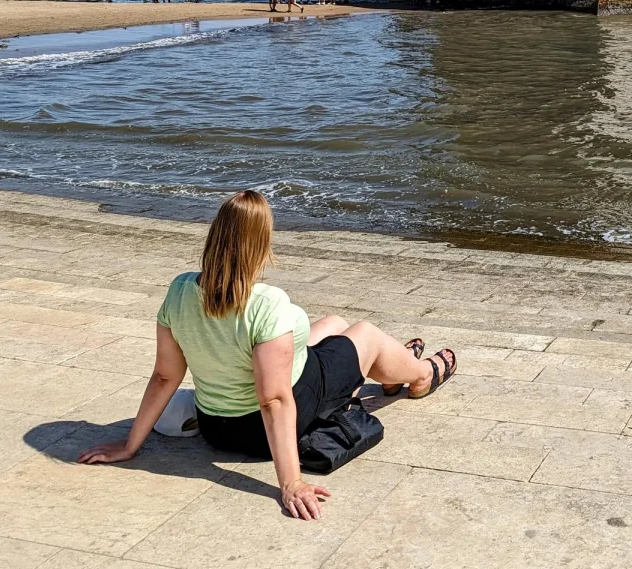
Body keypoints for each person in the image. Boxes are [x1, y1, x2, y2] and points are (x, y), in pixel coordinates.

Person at [78, 191, 456, 520]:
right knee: (365, 334)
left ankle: (389, 372)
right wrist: (290, 482)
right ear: (262, 244)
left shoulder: (179, 291)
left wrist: (131, 445)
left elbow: (165, 376)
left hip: (218, 427)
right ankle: (420, 374)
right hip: (265, 429)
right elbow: (274, 399)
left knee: (334, 323)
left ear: (214, 236)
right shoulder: (266, 303)